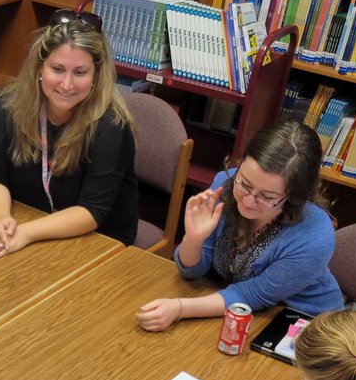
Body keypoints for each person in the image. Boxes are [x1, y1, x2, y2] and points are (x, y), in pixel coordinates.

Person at [136, 119, 342, 331]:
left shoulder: (315, 235)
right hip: (237, 309)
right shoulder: (223, 186)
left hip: (305, 324)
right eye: (244, 183)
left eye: (267, 196)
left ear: (295, 196)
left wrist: (180, 308)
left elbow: (253, 295)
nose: (248, 201)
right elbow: (192, 272)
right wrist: (193, 239)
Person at [0, 9, 138, 257]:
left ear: (96, 75)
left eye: (80, 72)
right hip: (29, 222)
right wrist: (2, 221)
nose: (67, 84)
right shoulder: (9, 105)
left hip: (99, 241)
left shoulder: (111, 125)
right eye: (58, 69)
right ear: (40, 67)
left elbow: (92, 212)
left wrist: (25, 234)